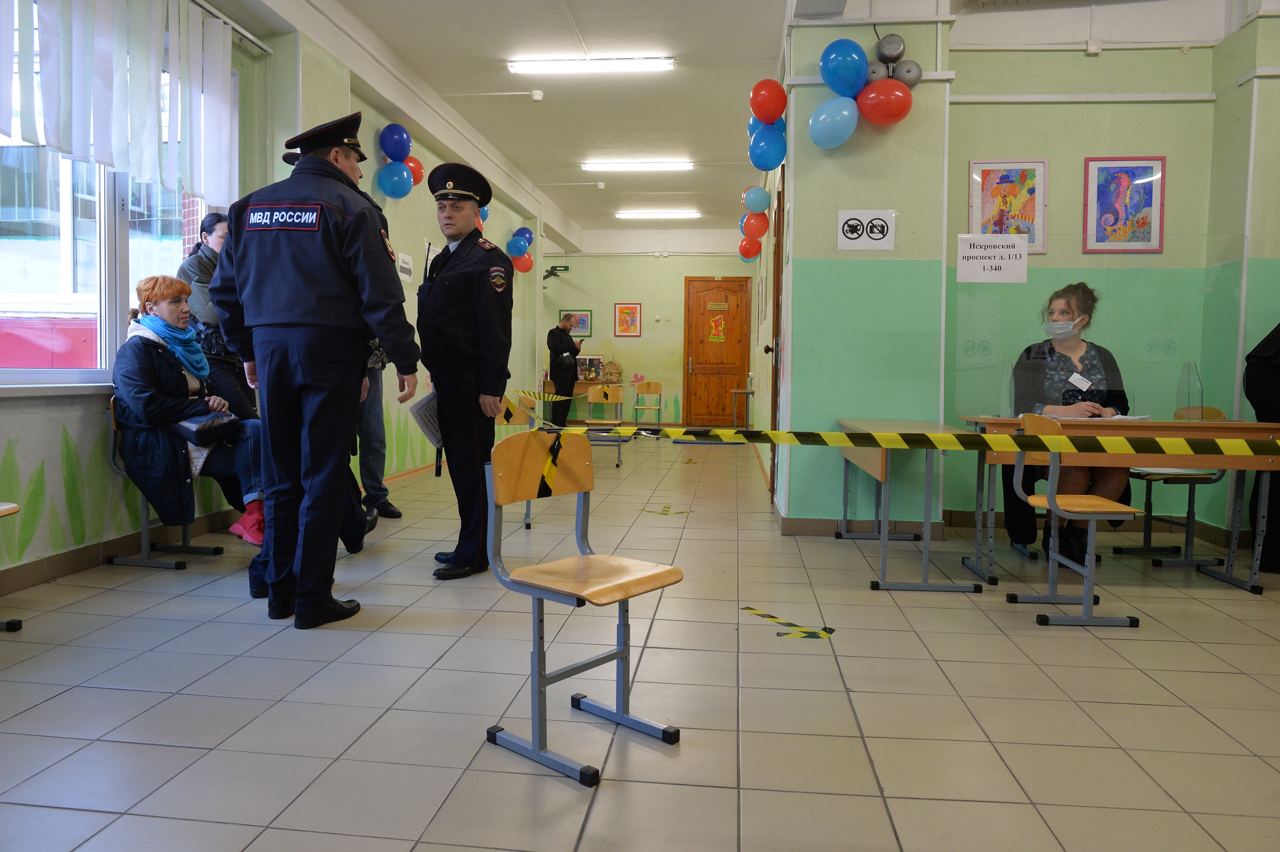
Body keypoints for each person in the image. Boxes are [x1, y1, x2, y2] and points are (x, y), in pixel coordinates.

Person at [210, 112, 420, 629]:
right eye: (356, 161)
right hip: (330, 350)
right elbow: (380, 294)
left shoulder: (247, 208)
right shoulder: (353, 208)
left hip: (269, 350)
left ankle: (279, 592)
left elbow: (224, 293)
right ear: (337, 156)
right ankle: (312, 598)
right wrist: (405, 357)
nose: (360, 172)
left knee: (280, 474)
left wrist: (247, 351)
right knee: (323, 472)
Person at [112, 275, 265, 548]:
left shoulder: (182, 346)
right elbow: (147, 407)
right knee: (248, 458)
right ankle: (260, 518)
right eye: (176, 302)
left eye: (186, 301)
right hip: (158, 440)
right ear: (151, 308)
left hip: (194, 432)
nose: (186, 309)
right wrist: (202, 405)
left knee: (255, 429)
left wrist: (214, 401)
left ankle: (255, 517)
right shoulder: (136, 350)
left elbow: (193, 392)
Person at [418, 162, 514, 581]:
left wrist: (492, 386)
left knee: (473, 466)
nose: (447, 213)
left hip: (473, 383)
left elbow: (495, 330)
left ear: (476, 212)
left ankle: (476, 553)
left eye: (456, 206)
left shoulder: (488, 261)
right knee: (461, 465)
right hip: (448, 380)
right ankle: (469, 542)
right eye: (441, 206)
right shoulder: (445, 259)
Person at [1009, 282, 1130, 563]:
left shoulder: (1102, 356)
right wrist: (1063, 411)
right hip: (1049, 443)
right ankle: (1053, 532)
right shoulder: (1035, 354)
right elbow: (1021, 404)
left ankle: (1076, 533)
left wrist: (1108, 411)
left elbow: (1120, 402)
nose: (1054, 318)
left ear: (1082, 319)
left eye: (1063, 313)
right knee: (1074, 469)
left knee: (1117, 473)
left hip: (1096, 442)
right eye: (1051, 312)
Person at [176, 213, 258, 420]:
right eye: (225, 237)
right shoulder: (194, 266)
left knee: (252, 422)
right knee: (249, 421)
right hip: (210, 357)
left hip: (237, 355)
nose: (232, 242)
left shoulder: (235, 265)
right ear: (205, 237)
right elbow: (212, 314)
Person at [1245, 321, 1280, 572]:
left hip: (1263, 371)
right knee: (1274, 464)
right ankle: (1269, 553)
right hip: (1270, 373)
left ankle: (1268, 552)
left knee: (1271, 465)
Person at [547, 313, 581, 427]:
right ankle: (555, 423)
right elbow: (555, 348)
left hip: (570, 374)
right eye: (570, 325)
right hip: (560, 373)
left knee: (567, 400)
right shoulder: (553, 333)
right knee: (559, 399)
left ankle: (562, 422)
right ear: (565, 321)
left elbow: (572, 353)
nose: (571, 328)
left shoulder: (567, 335)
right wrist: (572, 346)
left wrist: (577, 348)